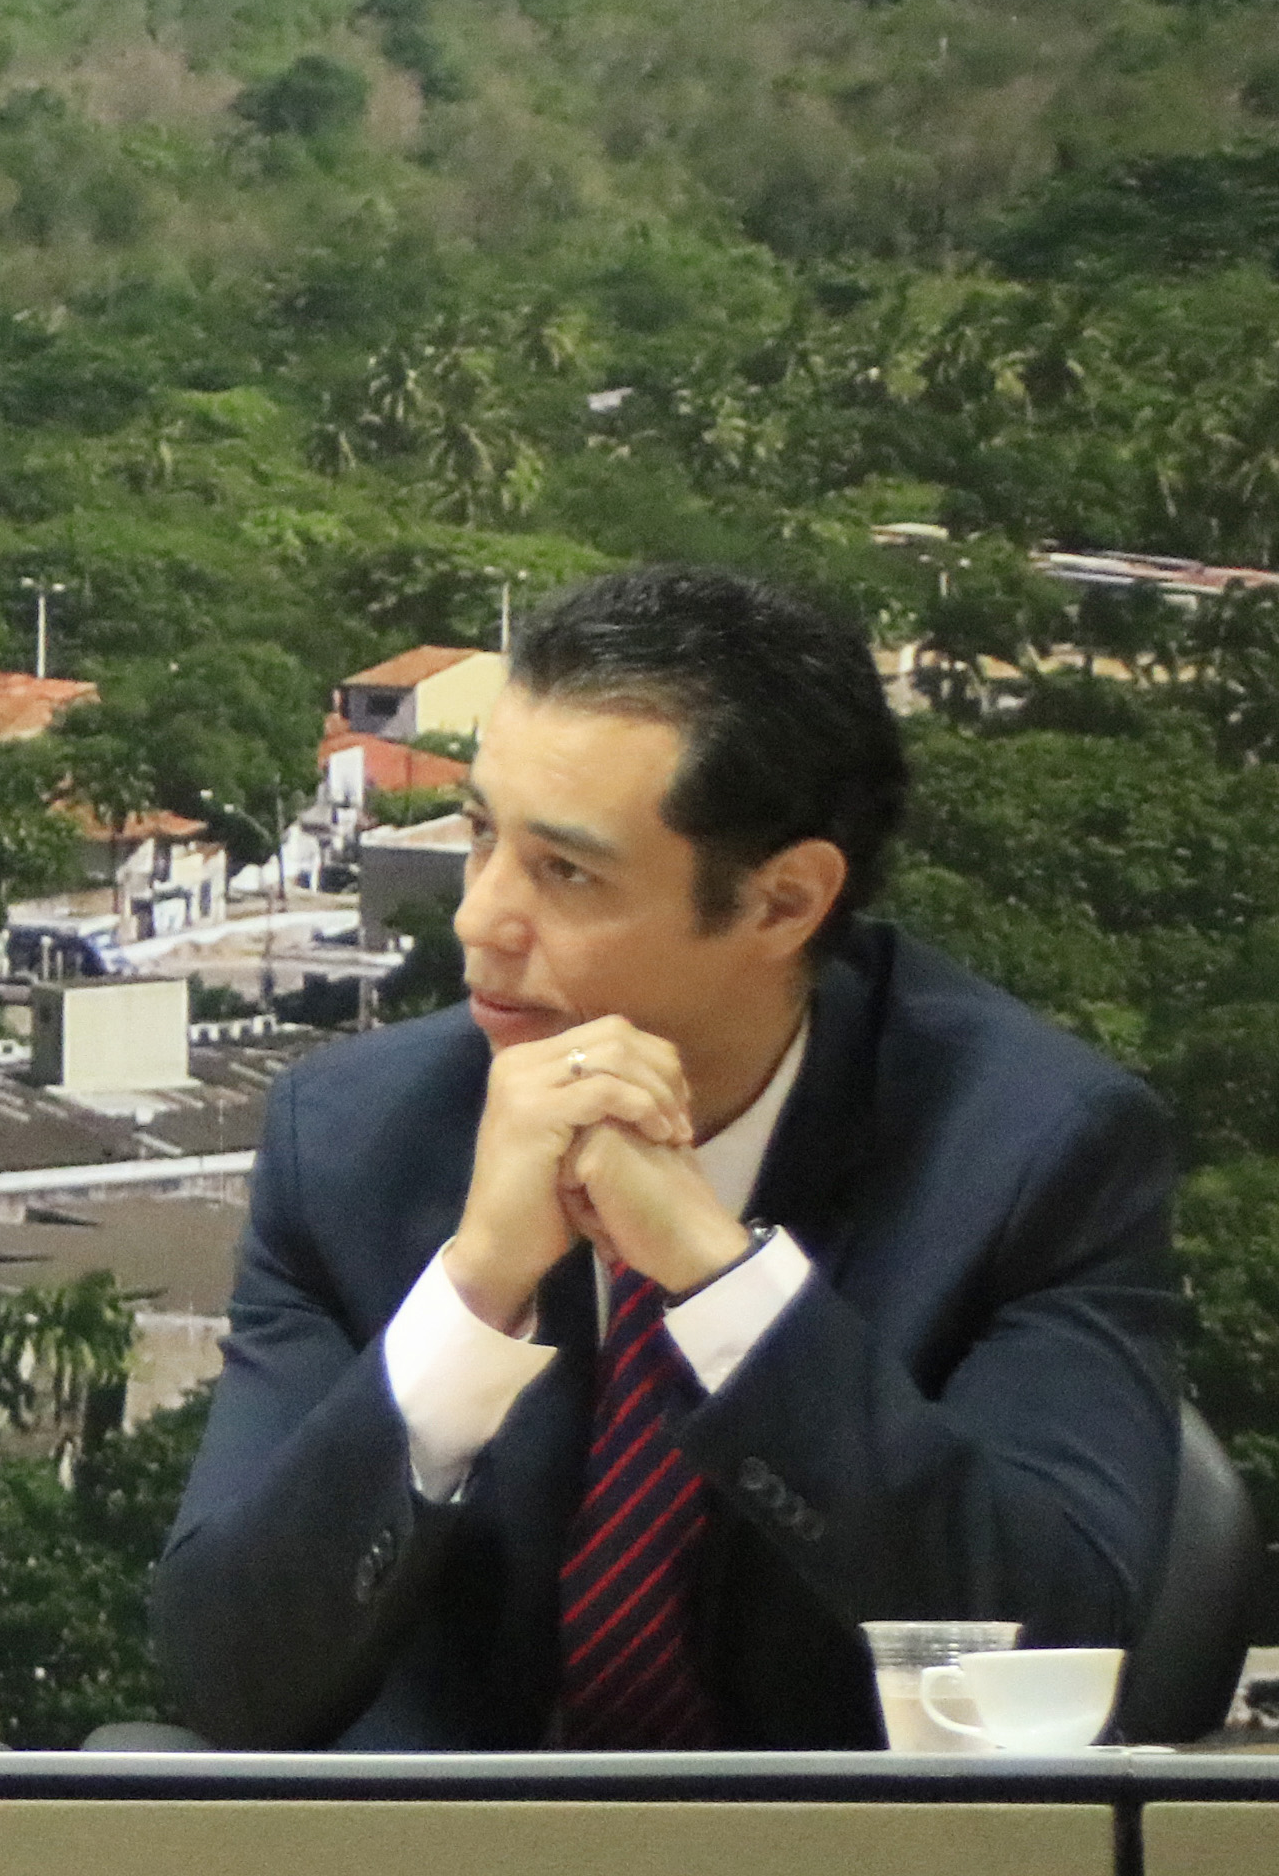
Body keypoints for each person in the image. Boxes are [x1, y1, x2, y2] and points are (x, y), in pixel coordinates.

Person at [153, 563, 1182, 1748]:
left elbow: (1049, 1642)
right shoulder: (352, 1141)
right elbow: (230, 1682)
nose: (478, 918)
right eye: (482, 833)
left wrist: (721, 1281)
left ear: (781, 903)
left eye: (567, 872)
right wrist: (474, 1294)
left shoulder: (1037, 1152)